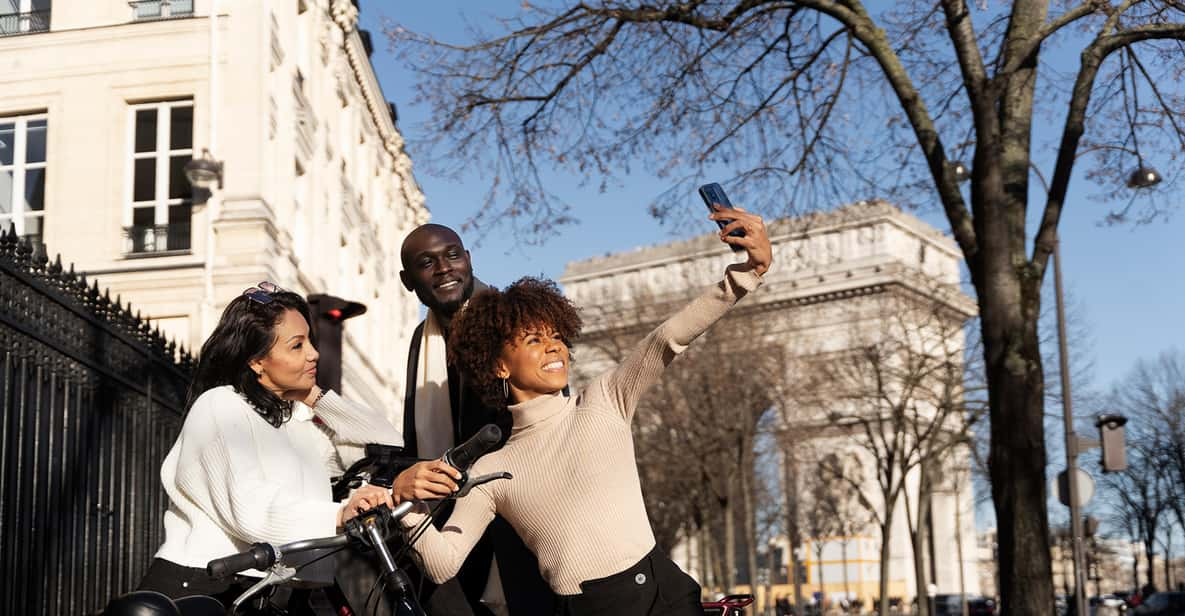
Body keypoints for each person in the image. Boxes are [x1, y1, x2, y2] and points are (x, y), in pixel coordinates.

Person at [404, 205, 773, 615]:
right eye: (533, 340)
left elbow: (669, 338)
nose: (554, 347)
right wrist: (400, 504)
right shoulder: (492, 471)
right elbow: (442, 564)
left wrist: (747, 274)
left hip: (662, 596)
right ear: (499, 364)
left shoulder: (603, 400)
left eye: (558, 336)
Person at [131, 282, 458, 607]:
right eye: (297, 345)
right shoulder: (220, 406)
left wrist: (314, 396)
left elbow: (383, 443)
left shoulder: (294, 426)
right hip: (206, 588)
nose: (314, 353)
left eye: (310, 342)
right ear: (257, 361)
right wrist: (341, 513)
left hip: (275, 592)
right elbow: (251, 507)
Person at [391, 223, 555, 615]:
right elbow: (417, 439)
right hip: (451, 517)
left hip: (523, 513)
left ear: (468, 260)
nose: (444, 268)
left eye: (452, 255)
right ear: (407, 280)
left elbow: (551, 413)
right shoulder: (421, 339)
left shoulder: (511, 322)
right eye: (426, 263)